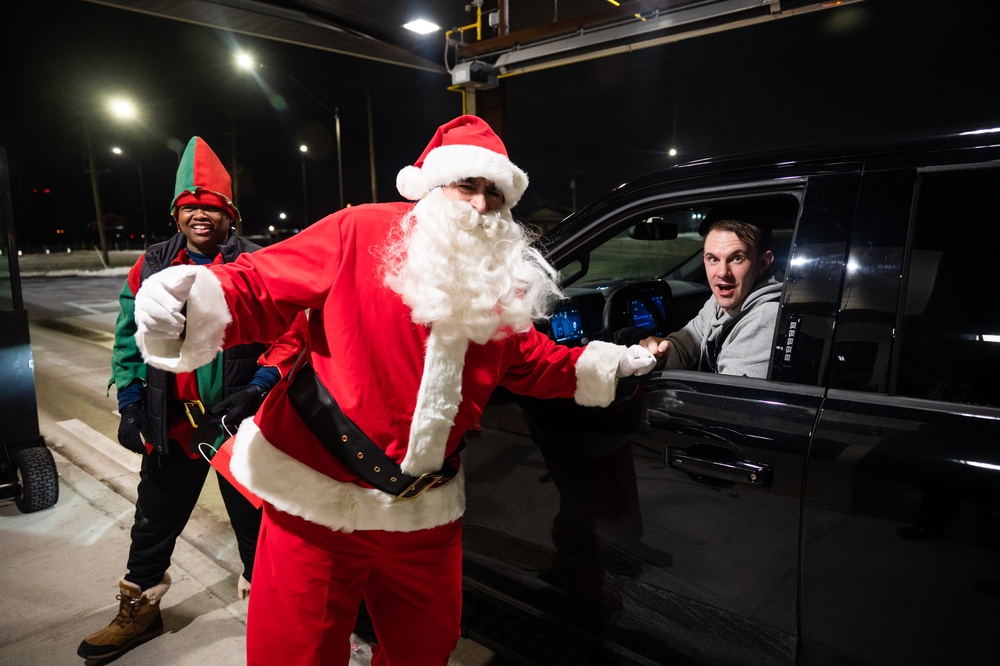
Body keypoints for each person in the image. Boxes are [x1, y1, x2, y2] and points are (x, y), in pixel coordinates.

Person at [130, 115, 658, 666]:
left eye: (494, 193)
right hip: (319, 497)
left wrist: (615, 364)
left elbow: (530, 360)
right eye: (467, 185)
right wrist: (188, 299)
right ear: (432, 187)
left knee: (426, 649)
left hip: (423, 511)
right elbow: (262, 284)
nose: (480, 205)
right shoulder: (360, 230)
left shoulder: (500, 281)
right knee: (296, 653)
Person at [78, 137, 279, 661]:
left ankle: (269, 615)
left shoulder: (257, 264)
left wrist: (259, 388)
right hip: (173, 424)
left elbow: (289, 335)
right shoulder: (150, 265)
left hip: (240, 426)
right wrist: (129, 400)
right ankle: (140, 610)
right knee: (153, 521)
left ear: (229, 214)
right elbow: (128, 337)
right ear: (177, 212)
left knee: (258, 527)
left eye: (211, 206)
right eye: (190, 206)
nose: (200, 215)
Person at [639, 207, 780, 377]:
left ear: (763, 263)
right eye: (713, 259)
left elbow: (727, 400)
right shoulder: (719, 302)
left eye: (736, 258)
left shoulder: (765, 318)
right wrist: (660, 353)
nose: (722, 272)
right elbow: (687, 342)